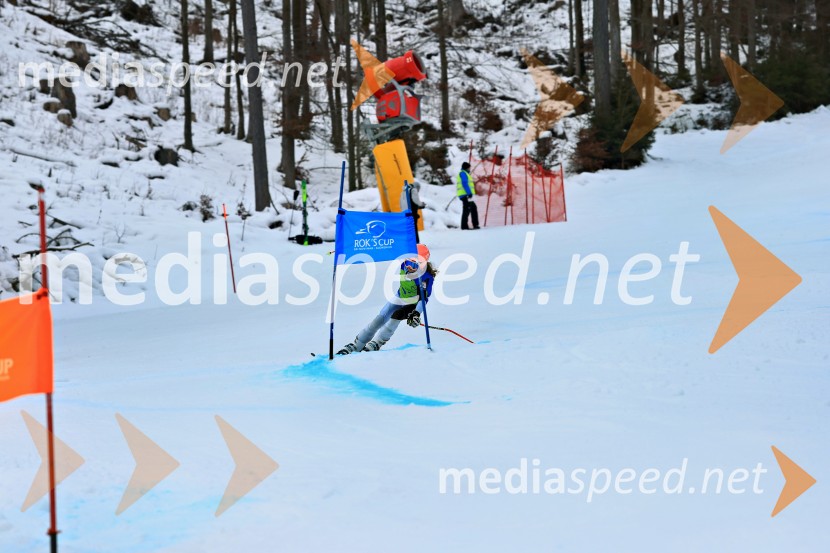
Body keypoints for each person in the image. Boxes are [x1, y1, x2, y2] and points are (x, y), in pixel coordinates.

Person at [338, 243, 437, 354]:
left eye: (415, 264)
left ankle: (377, 343)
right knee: (379, 319)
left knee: (397, 315)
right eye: (408, 261)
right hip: (399, 297)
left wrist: (417, 313)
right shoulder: (404, 264)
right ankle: (357, 345)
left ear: (423, 264)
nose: (409, 267)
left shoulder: (426, 278)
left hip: (413, 303)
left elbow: (424, 299)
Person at [457, 162, 480, 230]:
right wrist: (469, 193)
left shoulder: (465, 173)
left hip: (467, 195)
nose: (470, 169)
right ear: (466, 167)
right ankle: (464, 226)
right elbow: (464, 183)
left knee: (473, 208)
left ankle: (475, 225)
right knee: (466, 210)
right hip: (465, 194)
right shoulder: (463, 173)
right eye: (469, 167)